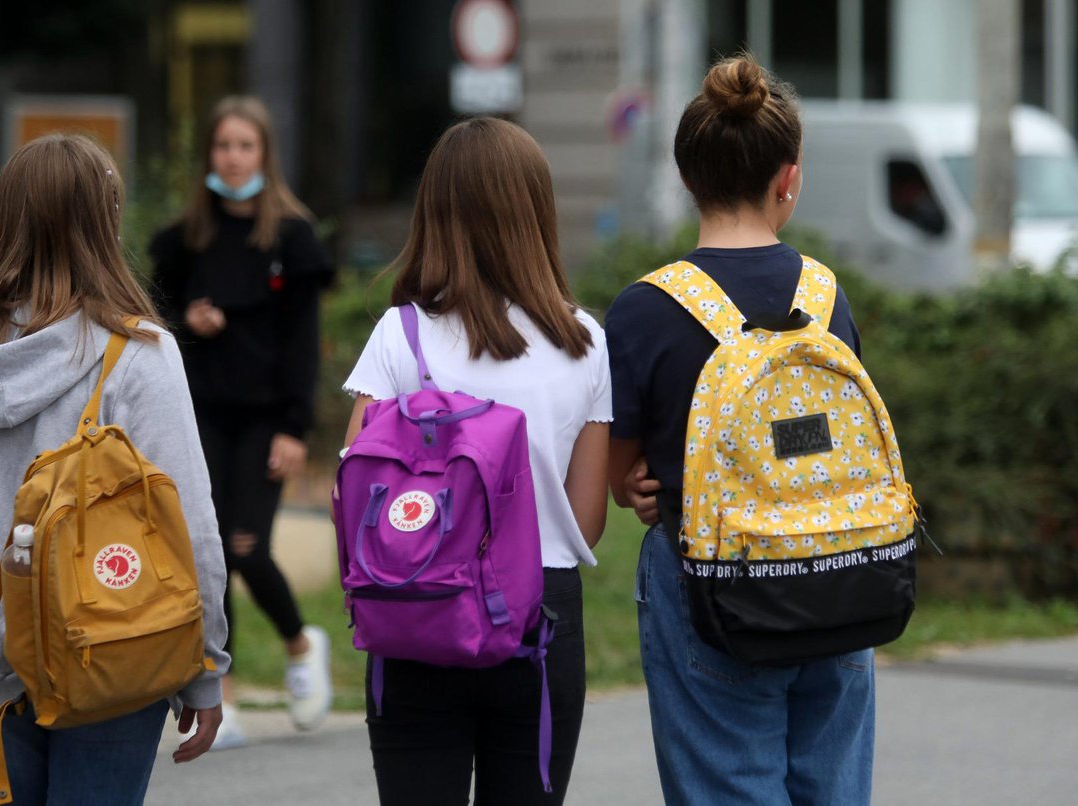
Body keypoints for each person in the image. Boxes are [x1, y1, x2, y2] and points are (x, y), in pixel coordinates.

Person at [0, 133, 228, 805]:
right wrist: (205, 668)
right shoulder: (139, 355)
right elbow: (189, 528)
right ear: (106, 222)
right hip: (111, 651)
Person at [605, 55, 873, 805]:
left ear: (688, 178)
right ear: (788, 178)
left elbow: (622, 472)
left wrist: (639, 482)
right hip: (838, 573)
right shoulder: (826, 296)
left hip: (713, 582)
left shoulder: (644, 307)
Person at [341, 117, 611, 806]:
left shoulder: (400, 334)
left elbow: (355, 493)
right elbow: (586, 519)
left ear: (435, 212)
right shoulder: (585, 342)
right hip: (541, 620)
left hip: (416, 608)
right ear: (536, 213)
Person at [149, 96, 335, 748]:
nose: (233, 157)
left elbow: (304, 345)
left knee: (244, 546)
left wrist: (295, 428)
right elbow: (150, 333)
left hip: (266, 419)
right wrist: (185, 326)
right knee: (206, 554)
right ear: (209, 155)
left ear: (264, 155)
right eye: (223, 146)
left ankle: (297, 643)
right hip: (198, 416)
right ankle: (220, 698)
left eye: (245, 146)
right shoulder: (180, 242)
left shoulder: (292, 240)